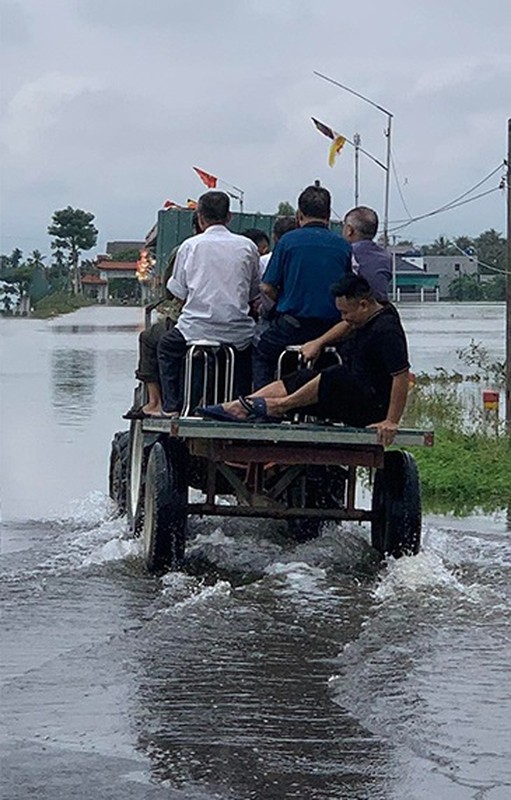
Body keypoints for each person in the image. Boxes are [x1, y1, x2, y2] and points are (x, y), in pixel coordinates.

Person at [199, 275, 410, 446]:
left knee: (335, 374)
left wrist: (391, 421)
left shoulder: (386, 331)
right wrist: (318, 342)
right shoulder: (374, 311)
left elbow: (400, 376)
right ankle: (242, 406)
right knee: (303, 377)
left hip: (370, 406)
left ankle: (280, 406)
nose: (344, 318)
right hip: (353, 393)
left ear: (363, 305)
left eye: (345, 312)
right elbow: (346, 326)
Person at [156, 191, 261, 417]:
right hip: (238, 332)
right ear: (229, 216)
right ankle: (241, 404)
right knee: (246, 357)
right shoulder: (248, 247)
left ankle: (172, 406)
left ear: (200, 218)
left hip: (196, 329)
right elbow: (253, 292)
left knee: (166, 346)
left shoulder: (190, 246)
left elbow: (179, 292)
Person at [252, 184, 352, 389]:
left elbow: (266, 286)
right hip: (330, 330)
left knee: (262, 352)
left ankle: (263, 409)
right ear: (328, 213)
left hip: (292, 326)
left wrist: (282, 298)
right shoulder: (342, 245)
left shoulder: (288, 242)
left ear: (299, 215)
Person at [124, 214, 201, 419]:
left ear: (198, 224)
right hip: (236, 328)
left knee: (149, 338)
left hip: (191, 323)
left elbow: (172, 291)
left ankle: (157, 402)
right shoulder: (243, 248)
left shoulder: (184, 249)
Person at [300, 205, 392, 364]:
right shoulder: (386, 257)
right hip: (381, 320)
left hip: (351, 327)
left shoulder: (345, 252)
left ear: (349, 230)